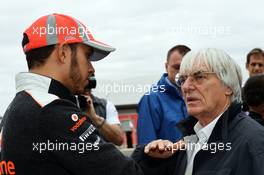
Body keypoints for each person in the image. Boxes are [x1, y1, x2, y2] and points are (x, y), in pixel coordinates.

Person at [0, 13, 143, 175]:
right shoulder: (51, 110)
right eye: (87, 56)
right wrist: (149, 156)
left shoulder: (16, 107)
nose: (92, 68)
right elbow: (126, 172)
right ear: (63, 53)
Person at [132, 48, 264, 175]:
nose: (186, 87)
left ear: (228, 86)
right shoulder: (189, 140)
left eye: (199, 77)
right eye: (182, 80)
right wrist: (152, 160)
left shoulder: (254, 143)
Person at [137, 45, 191, 145]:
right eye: (177, 67)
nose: (181, 72)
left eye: (187, 67)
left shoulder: (197, 96)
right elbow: (146, 147)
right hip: (168, 160)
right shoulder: (151, 99)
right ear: (166, 67)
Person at [77, 75, 124, 146]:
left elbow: (118, 140)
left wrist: (95, 118)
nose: (84, 94)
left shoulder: (105, 105)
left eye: (87, 89)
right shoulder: (66, 106)